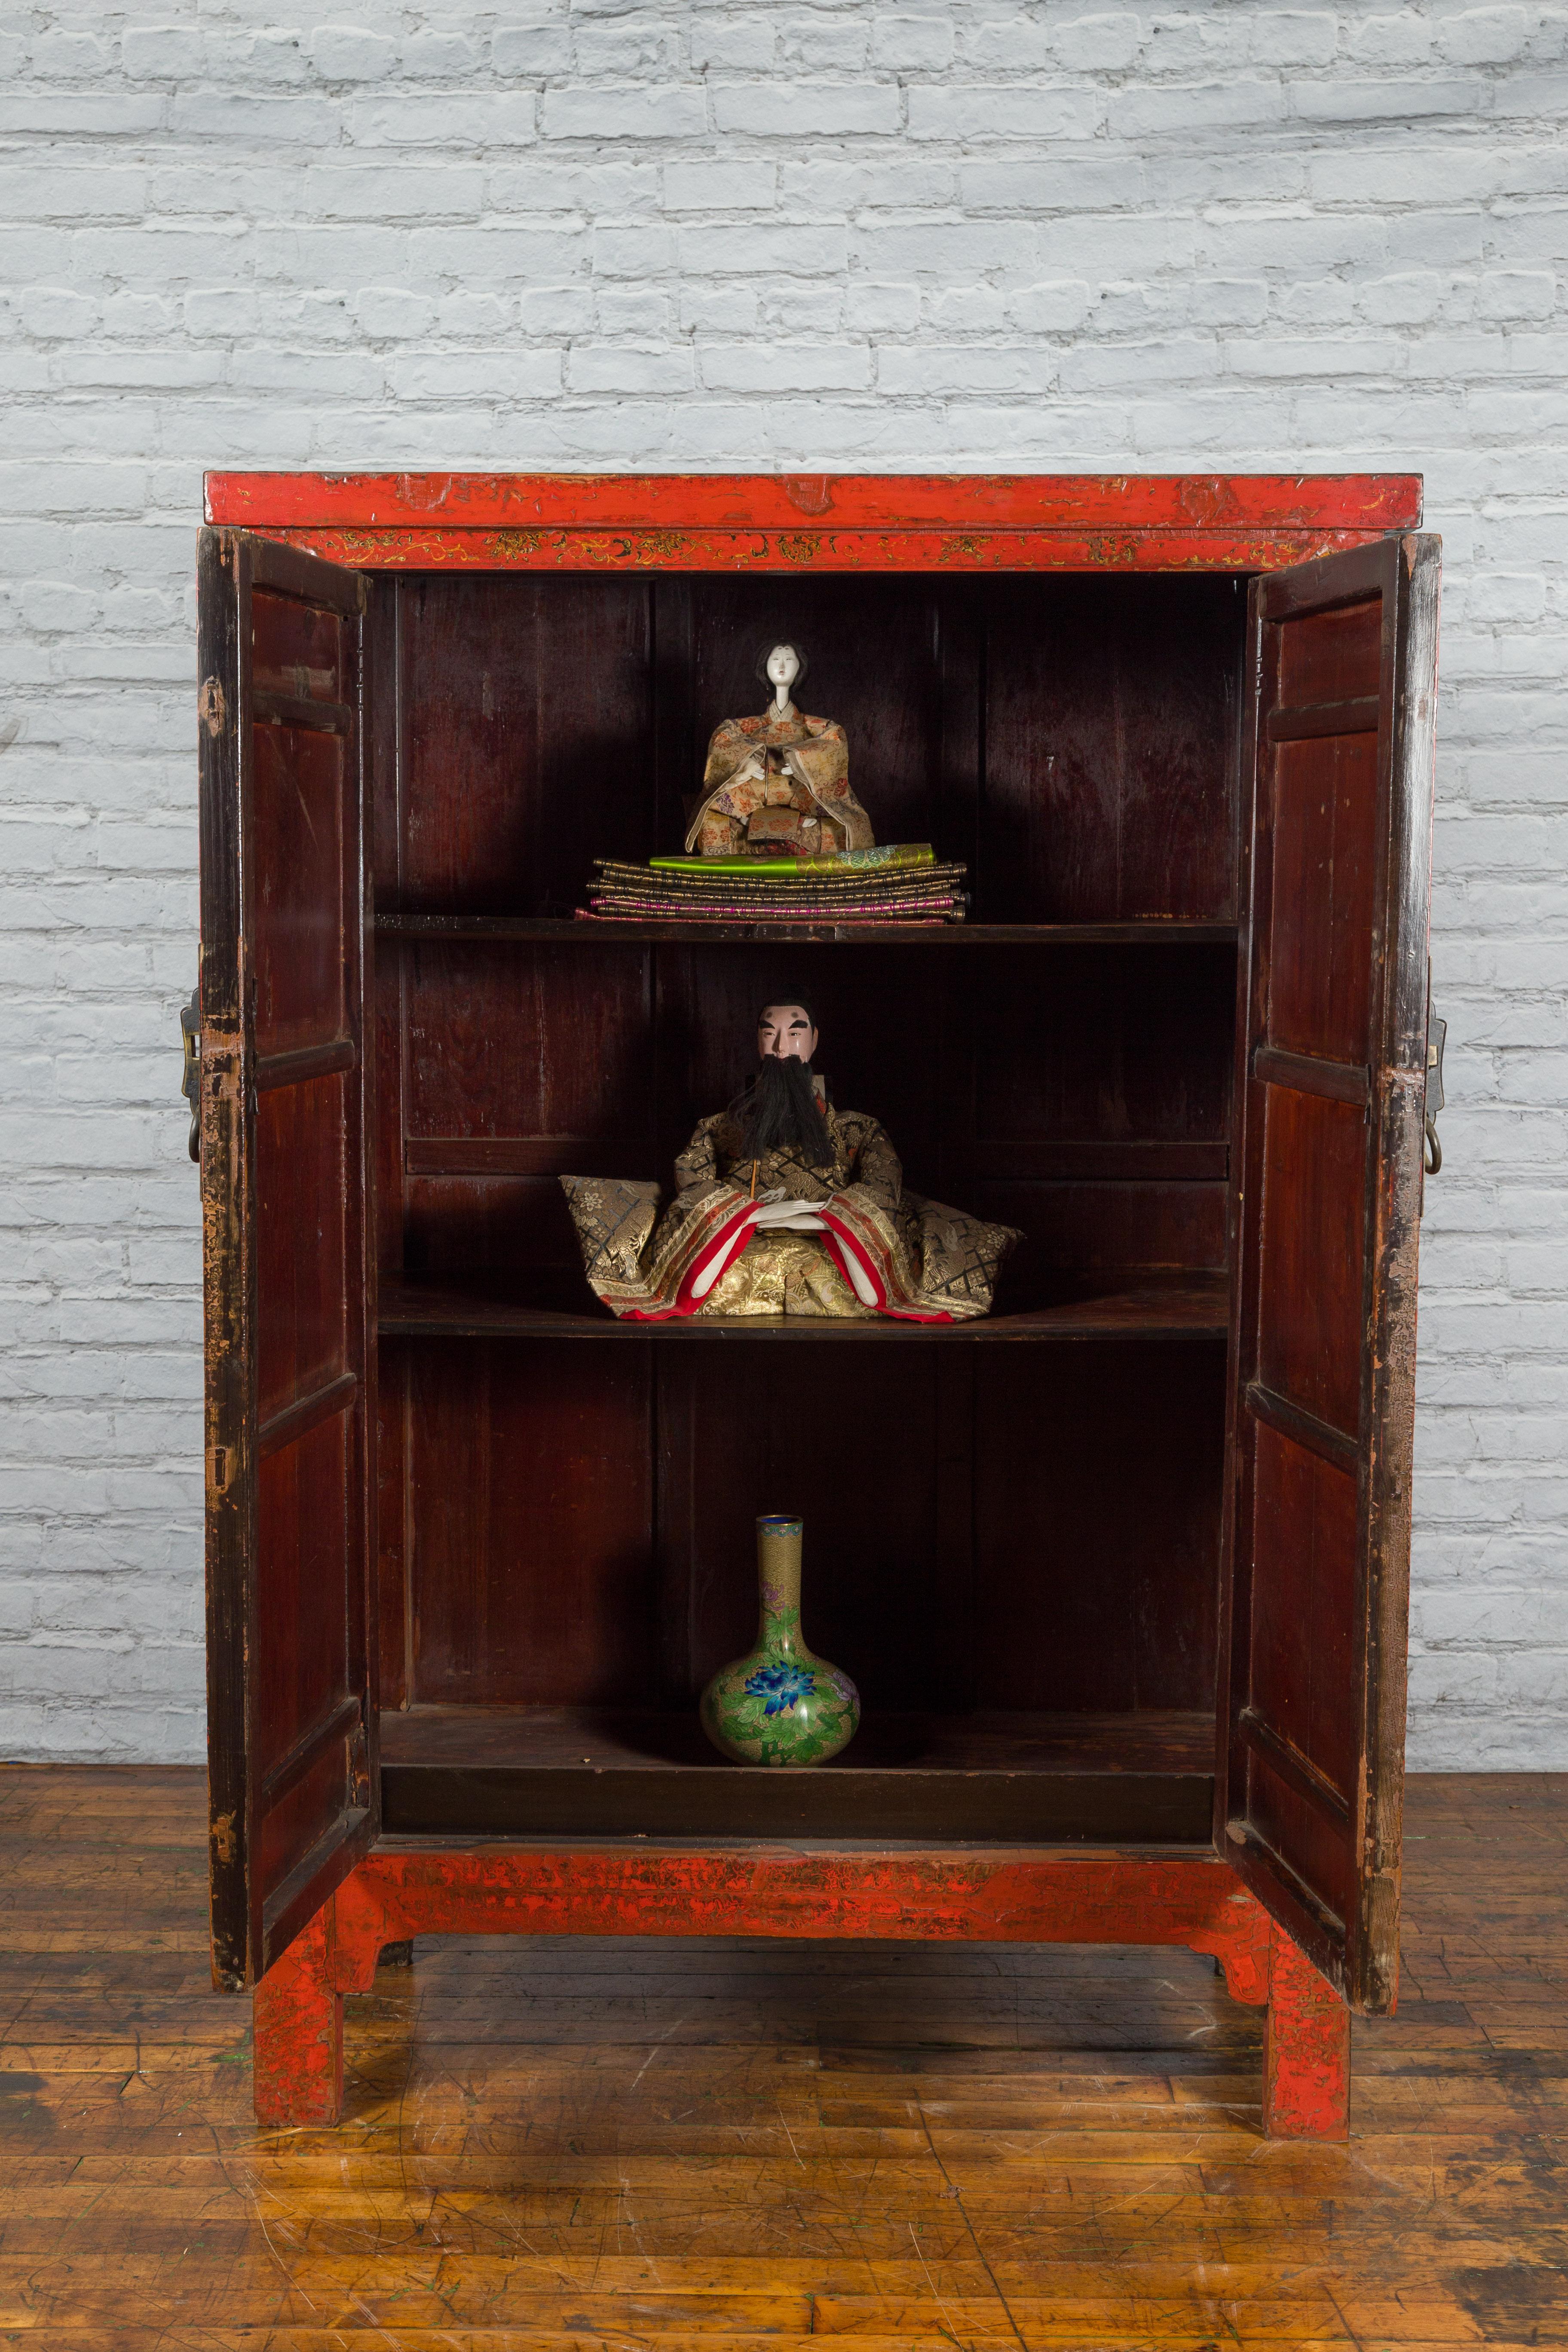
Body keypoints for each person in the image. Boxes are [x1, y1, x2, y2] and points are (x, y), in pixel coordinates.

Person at [561, 995, 1017, 1322]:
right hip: (734, 1246)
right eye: (770, 1033)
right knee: (693, 1269)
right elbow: (692, 1182)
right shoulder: (717, 1126)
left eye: (794, 1033)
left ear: (815, 1041)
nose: (781, 1048)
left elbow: (882, 1186)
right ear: (757, 1043)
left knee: (885, 1242)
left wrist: (820, 1219)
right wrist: (753, 1215)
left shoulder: (859, 1128)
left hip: (835, 1241)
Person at [685, 642, 875, 858]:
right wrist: (744, 765)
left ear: (799, 669)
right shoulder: (746, 726)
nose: (782, 665)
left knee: (844, 822)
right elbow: (723, 739)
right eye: (775, 659)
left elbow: (835, 739)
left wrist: (803, 763)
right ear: (765, 667)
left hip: (804, 801)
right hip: (753, 800)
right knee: (711, 818)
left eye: (789, 659)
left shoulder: (815, 726)